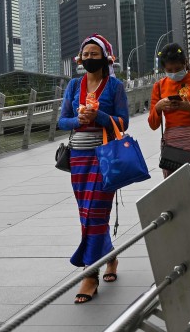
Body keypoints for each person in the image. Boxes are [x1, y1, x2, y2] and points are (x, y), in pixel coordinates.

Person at [56, 34, 129, 304]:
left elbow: (124, 122)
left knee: (97, 211)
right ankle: (109, 256)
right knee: (86, 212)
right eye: (85, 54)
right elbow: (61, 121)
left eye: (93, 54)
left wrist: (99, 117)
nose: (88, 58)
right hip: (78, 157)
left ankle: (90, 274)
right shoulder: (74, 85)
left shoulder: (115, 87)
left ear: (106, 57)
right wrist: (78, 118)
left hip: (104, 155)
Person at [148, 43, 190, 178]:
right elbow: (153, 125)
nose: (174, 73)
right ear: (164, 69)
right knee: (176, 188)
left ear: (185, 63)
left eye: (177, 69)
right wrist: (158, 107)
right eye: (169, 70)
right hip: (171, 145)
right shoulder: (159, 87)